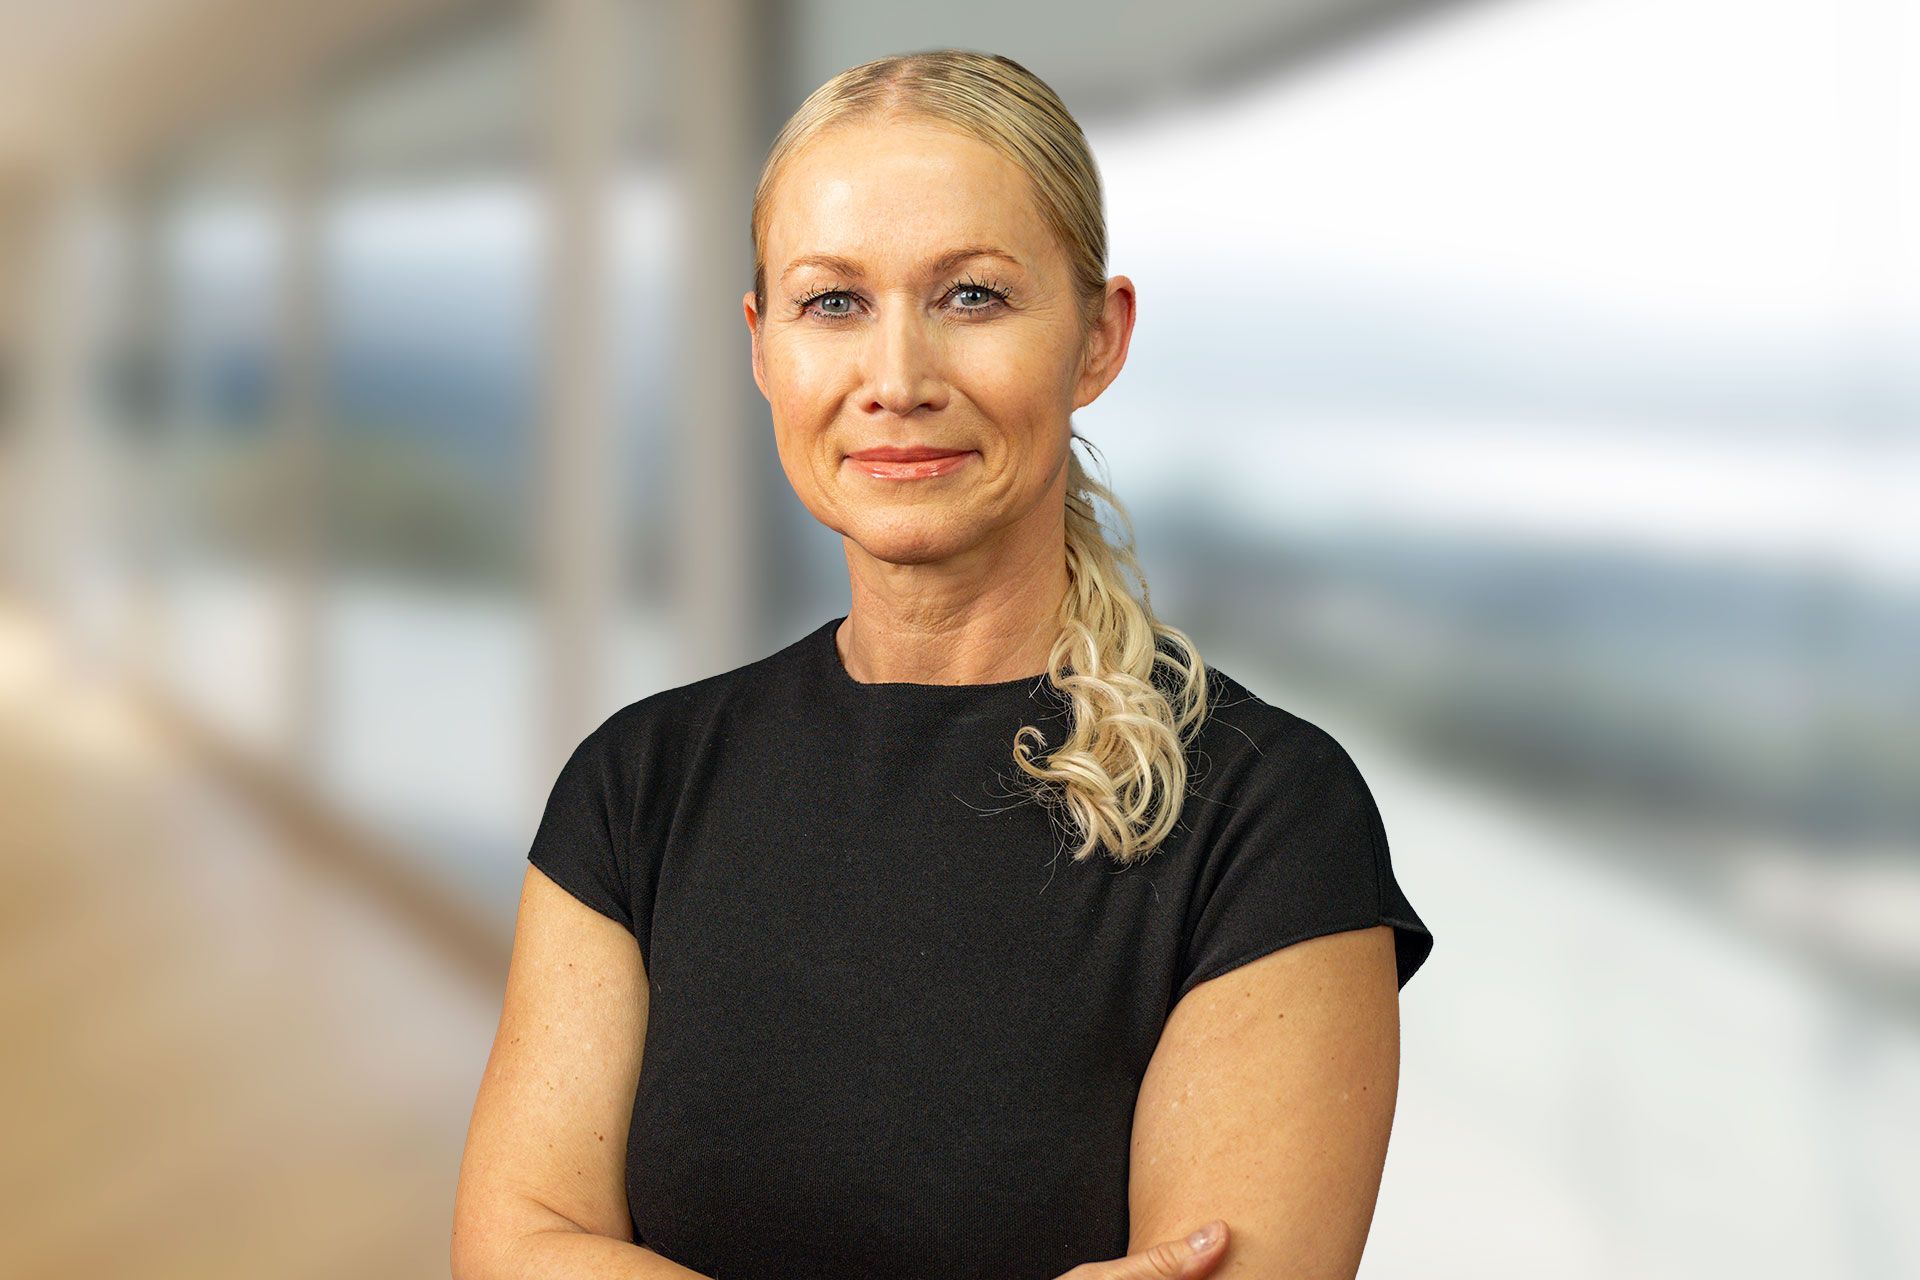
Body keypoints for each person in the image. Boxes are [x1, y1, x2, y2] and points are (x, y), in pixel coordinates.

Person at [454, 48, 1434, 1280]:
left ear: (1097, 337)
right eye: (833, 302)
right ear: (762, 350)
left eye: (971, 296)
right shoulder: (637, 784)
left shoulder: (1271, 819)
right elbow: (514, 1244)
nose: (898, 380)